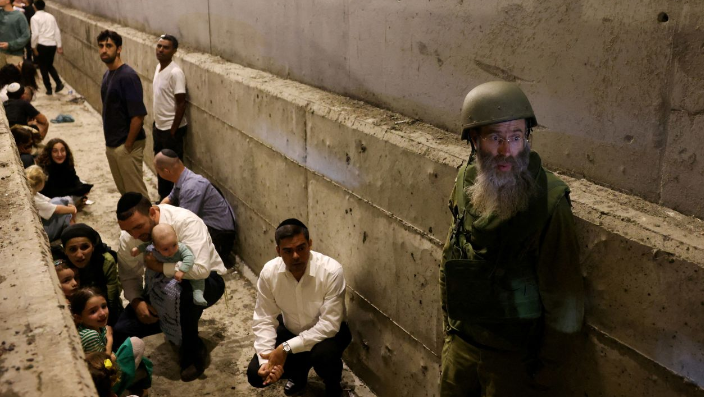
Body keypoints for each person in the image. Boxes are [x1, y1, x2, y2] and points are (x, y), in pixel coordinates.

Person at [439, 81, 585, 397]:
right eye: (495, 137)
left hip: (512, 361)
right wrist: (449, 329)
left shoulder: (550, 201)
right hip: (462, 345)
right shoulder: (466, 181)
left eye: (516, 137)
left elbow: (565, 297)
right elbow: (452, 251)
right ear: (474, 140)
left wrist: (545, 371)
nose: (507, 150)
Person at [113, 192, 226, 382]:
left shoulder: (186, 222)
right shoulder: (129, 236)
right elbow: (129, 276)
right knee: (122, 328)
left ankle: (192, 351)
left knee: (186, 299)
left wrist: (159, 267)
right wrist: (137, 301)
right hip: (159, 286)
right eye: (129, 230)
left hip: (205, 282)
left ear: (152, 212)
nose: (135, 235)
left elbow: (200, 269)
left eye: (139, 227)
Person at [247, 218, 351, 397]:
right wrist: (268, 363)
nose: (295, 256)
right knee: (255, 374)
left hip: (328, 335)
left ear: (309, 244)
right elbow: (264, 318)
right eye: (287, 251)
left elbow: (329, 325)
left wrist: (286, 348)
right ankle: (299, 374)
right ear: (278, 251)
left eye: (301, 248)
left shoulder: (331, 271)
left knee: (324, 356)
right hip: (291, 330)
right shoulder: (269, 273)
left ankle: (333, 384)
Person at [155, 149, 237, 268]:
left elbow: (183, 223)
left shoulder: (191, 187)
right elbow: (170, 198)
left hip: (220, 237)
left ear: (166, 171)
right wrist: (156, 210)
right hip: (213, 228)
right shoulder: (182, 177)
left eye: (158, 171)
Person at [71, 287, 151, 397]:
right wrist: (110, 339)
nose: (102, 313)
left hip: (102, 370)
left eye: (103, 306)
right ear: (79, 317)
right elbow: (104, 366)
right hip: (102, 379)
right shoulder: (91, 335)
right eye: (93, 311)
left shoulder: (95, 326)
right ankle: (118, 388)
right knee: (136, 344)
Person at [97, 30, 149, 198]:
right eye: (101, 46)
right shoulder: (107, 74)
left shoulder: (128, 76)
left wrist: (127, 146)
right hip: (113, 145)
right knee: (126, 195)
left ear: (119, 49)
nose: (104, 50)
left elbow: (138, 116)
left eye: (109, 46)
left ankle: (152, 224)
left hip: (126, 146)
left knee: (137, 196)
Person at [61, 223, 123, 326]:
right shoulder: (63, 267)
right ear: (65, 251)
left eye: (85, 247)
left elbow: (112, 296)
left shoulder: (105, 261)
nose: (79, 255)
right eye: (73, 249)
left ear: (93, 246)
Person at [130, 223, 207, 306]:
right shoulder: (152, 247)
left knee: (198, 279)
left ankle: (198, 293)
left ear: (176, 238)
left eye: (174, 245)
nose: (171, 251)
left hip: (185, 269)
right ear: (156, 246)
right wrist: (138, 250)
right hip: (168, 274)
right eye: (165, 249)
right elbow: (146, 245)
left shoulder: (181, 248)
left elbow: (189, 258)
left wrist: (182, 270)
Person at [152, 34, 187, 200]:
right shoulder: (158, 68)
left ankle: (174, 202)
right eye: (159, 46)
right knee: (160, 166)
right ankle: (163, 198)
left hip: (171, 131)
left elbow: (181, 103)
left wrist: (172, 131)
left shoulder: (175, 72)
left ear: (174, 51)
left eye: (166, 47)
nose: (161, 50)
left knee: (172, 170)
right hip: (159, 127)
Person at [25, 164, 75, 241]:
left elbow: (48, 200)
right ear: (40, 183)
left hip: (43, 223)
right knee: (65, 213)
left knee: (60, 201)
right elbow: (57, 209)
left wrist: (67, 205)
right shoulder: (34, 199)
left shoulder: (33, 192)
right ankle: (70, 232)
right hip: (45, 232)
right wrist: (72, 210)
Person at [36, 138, 93, 204]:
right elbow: (51, 192)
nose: (60, 154)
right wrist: (76, 191)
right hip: (51, 197)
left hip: (65, 189)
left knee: (83, 184)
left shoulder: (67, 162)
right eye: (55, 151)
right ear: (49, 153)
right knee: (65, 200)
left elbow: (73, 178)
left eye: (62, 150)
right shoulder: (44, 169)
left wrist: (81, 188)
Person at [30, 0, 63, 95]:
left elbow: (35, 34)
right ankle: (58, 83)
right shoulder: (51, 16)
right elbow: (57, 31)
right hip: (52, 44)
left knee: (43, 67)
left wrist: (33, 47)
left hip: (42, 44)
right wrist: (59, 45)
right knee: (49, 65)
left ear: (34, 7)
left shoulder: (34, 18)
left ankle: (49, 88)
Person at [0, 0, 30, 67]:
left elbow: (26, 35)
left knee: (14, 76)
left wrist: (10, 45)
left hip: (15, 55)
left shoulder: (19, 16)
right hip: (0, 53)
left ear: (7, 1)